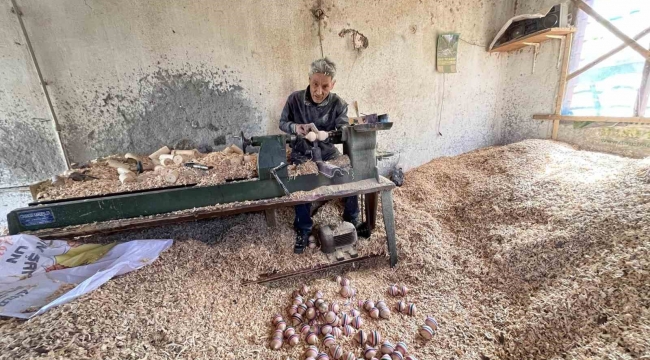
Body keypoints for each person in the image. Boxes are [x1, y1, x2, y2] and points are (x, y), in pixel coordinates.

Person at [279, 58, 359, 254]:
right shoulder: (295, 100)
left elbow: (343, 131)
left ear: (333, 84)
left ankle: (352, 220)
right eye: (315, 84)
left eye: (325, 86)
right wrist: (296, 127)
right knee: (302, 184)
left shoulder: (339, 104)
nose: (319, 91)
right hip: (302, 152)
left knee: (349, 175)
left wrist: (332, 133)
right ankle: (304, 229)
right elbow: (282, 122)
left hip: (328, 151)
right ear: (309, 79)